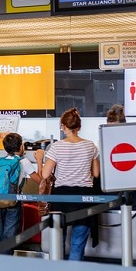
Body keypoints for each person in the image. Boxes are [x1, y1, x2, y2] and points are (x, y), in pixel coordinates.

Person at [35, 108, 100, 261]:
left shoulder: (56, 147)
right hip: (84, 199)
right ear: (79, 127)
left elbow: (45, 175)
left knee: (58, 242)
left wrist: (39, 160)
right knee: (77, 244)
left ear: (63, 127)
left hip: (61, 197)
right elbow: (96, 173)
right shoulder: (90, 146)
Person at [0, 133, 41, 253]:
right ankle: (6, 261)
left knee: (0, 233)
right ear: (21, 147)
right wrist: (39, 160)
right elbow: (40, 181)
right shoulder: (23, 161)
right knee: (9, 236)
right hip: (12, 202)